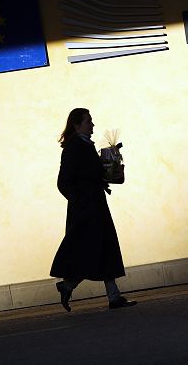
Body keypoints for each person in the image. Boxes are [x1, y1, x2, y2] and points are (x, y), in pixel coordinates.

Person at [49, 107, 136, 311]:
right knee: (92, 249)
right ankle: (74, 286)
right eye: (89, 121)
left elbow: (91, 174)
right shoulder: (74, 147)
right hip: (88, 209)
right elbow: (64, 182)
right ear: (77, 125)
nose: (93, 125)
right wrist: (81, 201)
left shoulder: (85, 145)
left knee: (100, 248)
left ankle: (107, 294)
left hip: (94, 205)